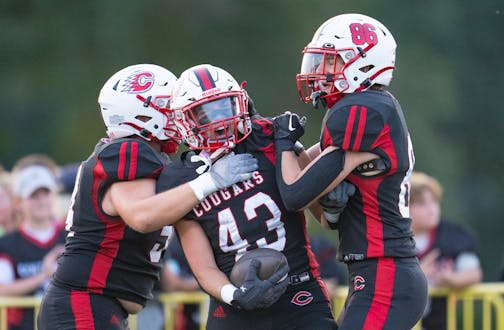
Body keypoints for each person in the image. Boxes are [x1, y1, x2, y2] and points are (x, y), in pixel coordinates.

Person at [37, 63, 259, 330]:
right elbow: (142, 217)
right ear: (142, 113)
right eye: (169, 106)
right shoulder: (129, 150)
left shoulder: (142, 154)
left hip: (97, 304)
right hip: (84, 302)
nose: (177, 112)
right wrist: (211, 181)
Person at [272, 13, 428, 329]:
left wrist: (283, 141)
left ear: (364, 64)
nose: (319, 72)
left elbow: (294, 194)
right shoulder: (371, 107)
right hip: (375, 275)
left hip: (387, 277)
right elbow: (311, 183)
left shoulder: (363, 110)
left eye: (331, 62)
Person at [157, 63, 337, 329]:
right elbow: (203, 265)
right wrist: (234, 295)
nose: (219, 121)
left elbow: (319, 211)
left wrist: (333, 196)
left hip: (298, 291)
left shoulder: (269, 138)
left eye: (224, 106)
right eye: (204, 114)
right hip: (233, 304)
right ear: (184, 120)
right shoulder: (179, 178)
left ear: (241, 103)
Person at [409, 171, 482, 330]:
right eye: (422, 204)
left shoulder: (453, 234)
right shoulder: (391, 238)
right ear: (405, 207)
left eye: (434, 202)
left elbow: (474, 273)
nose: (432, 209)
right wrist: (416, 276)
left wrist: (451, 279)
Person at [0, 163, 66, 330]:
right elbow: (2, 289)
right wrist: (44, 275)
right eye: (34, 195)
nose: (41, 201)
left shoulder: (71, 237)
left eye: (46, 193)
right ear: (18, 202)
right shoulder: (7, 244)